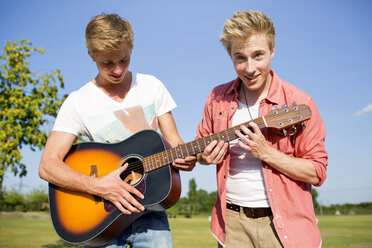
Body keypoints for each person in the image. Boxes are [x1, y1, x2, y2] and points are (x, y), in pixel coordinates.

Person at [38, 13, 196, 248]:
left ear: (130, 48)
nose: (118, 70)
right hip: (101, 223)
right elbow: (48, 165)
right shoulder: (77, 102)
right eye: (107, 63)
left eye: (124, 60)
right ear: (91, 55)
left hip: (151, 215)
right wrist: (97, 185)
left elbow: (176, 144)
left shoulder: (153, 86)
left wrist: (189, 158)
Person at [196, 10, 328, 248]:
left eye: (258, 56)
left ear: (272, 51)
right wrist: (205, 157)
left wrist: (266, 152)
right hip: (232, 224)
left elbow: (316, 172)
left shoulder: (300, 101)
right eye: (240, 58)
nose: (249, 68)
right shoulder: (216, 97)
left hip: (284, 224)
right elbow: (200, 148)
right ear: (230, 57)